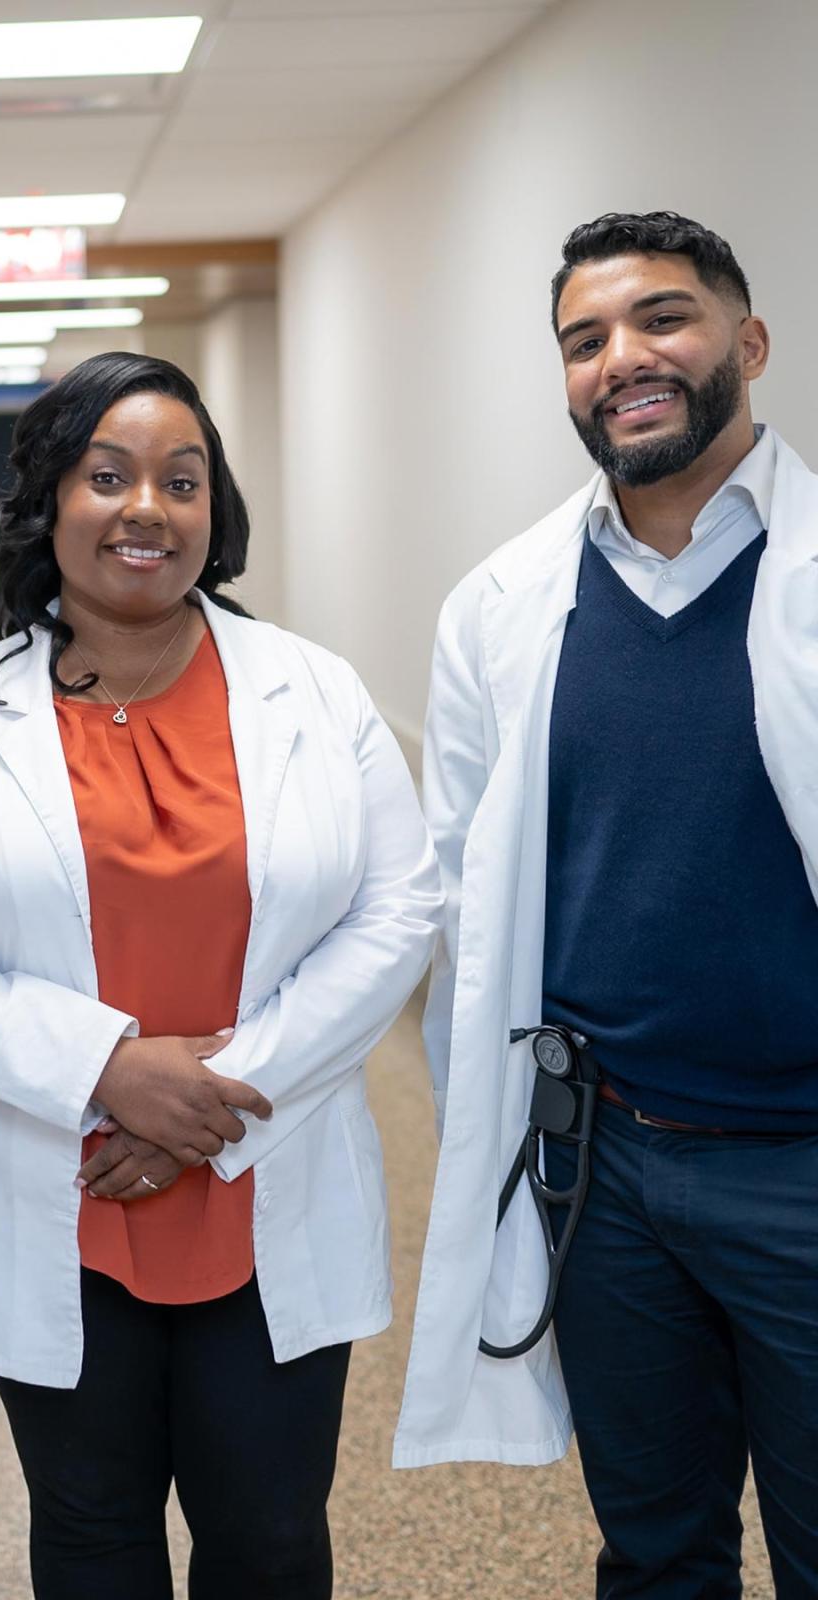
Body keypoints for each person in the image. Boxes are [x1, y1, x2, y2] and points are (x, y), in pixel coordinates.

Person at [0, 352, 441, 1600]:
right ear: (49, 501)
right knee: (91, 1529)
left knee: (270, 1537)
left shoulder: (312, 693)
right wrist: (105, 1067)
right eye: (106, 476)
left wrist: (214, 1096)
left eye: (182, 478)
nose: (146, 508)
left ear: (214, 511)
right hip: (54, 1186)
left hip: (260, 1170)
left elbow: (399, 907)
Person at [396, 212, 818, 1595]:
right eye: (586, 341)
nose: (623, 359)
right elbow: (468, 892)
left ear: (746, 345)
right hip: (609, 1172)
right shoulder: (505, 606)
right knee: (653, 1548)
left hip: (800, 1163)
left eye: (663, 320)